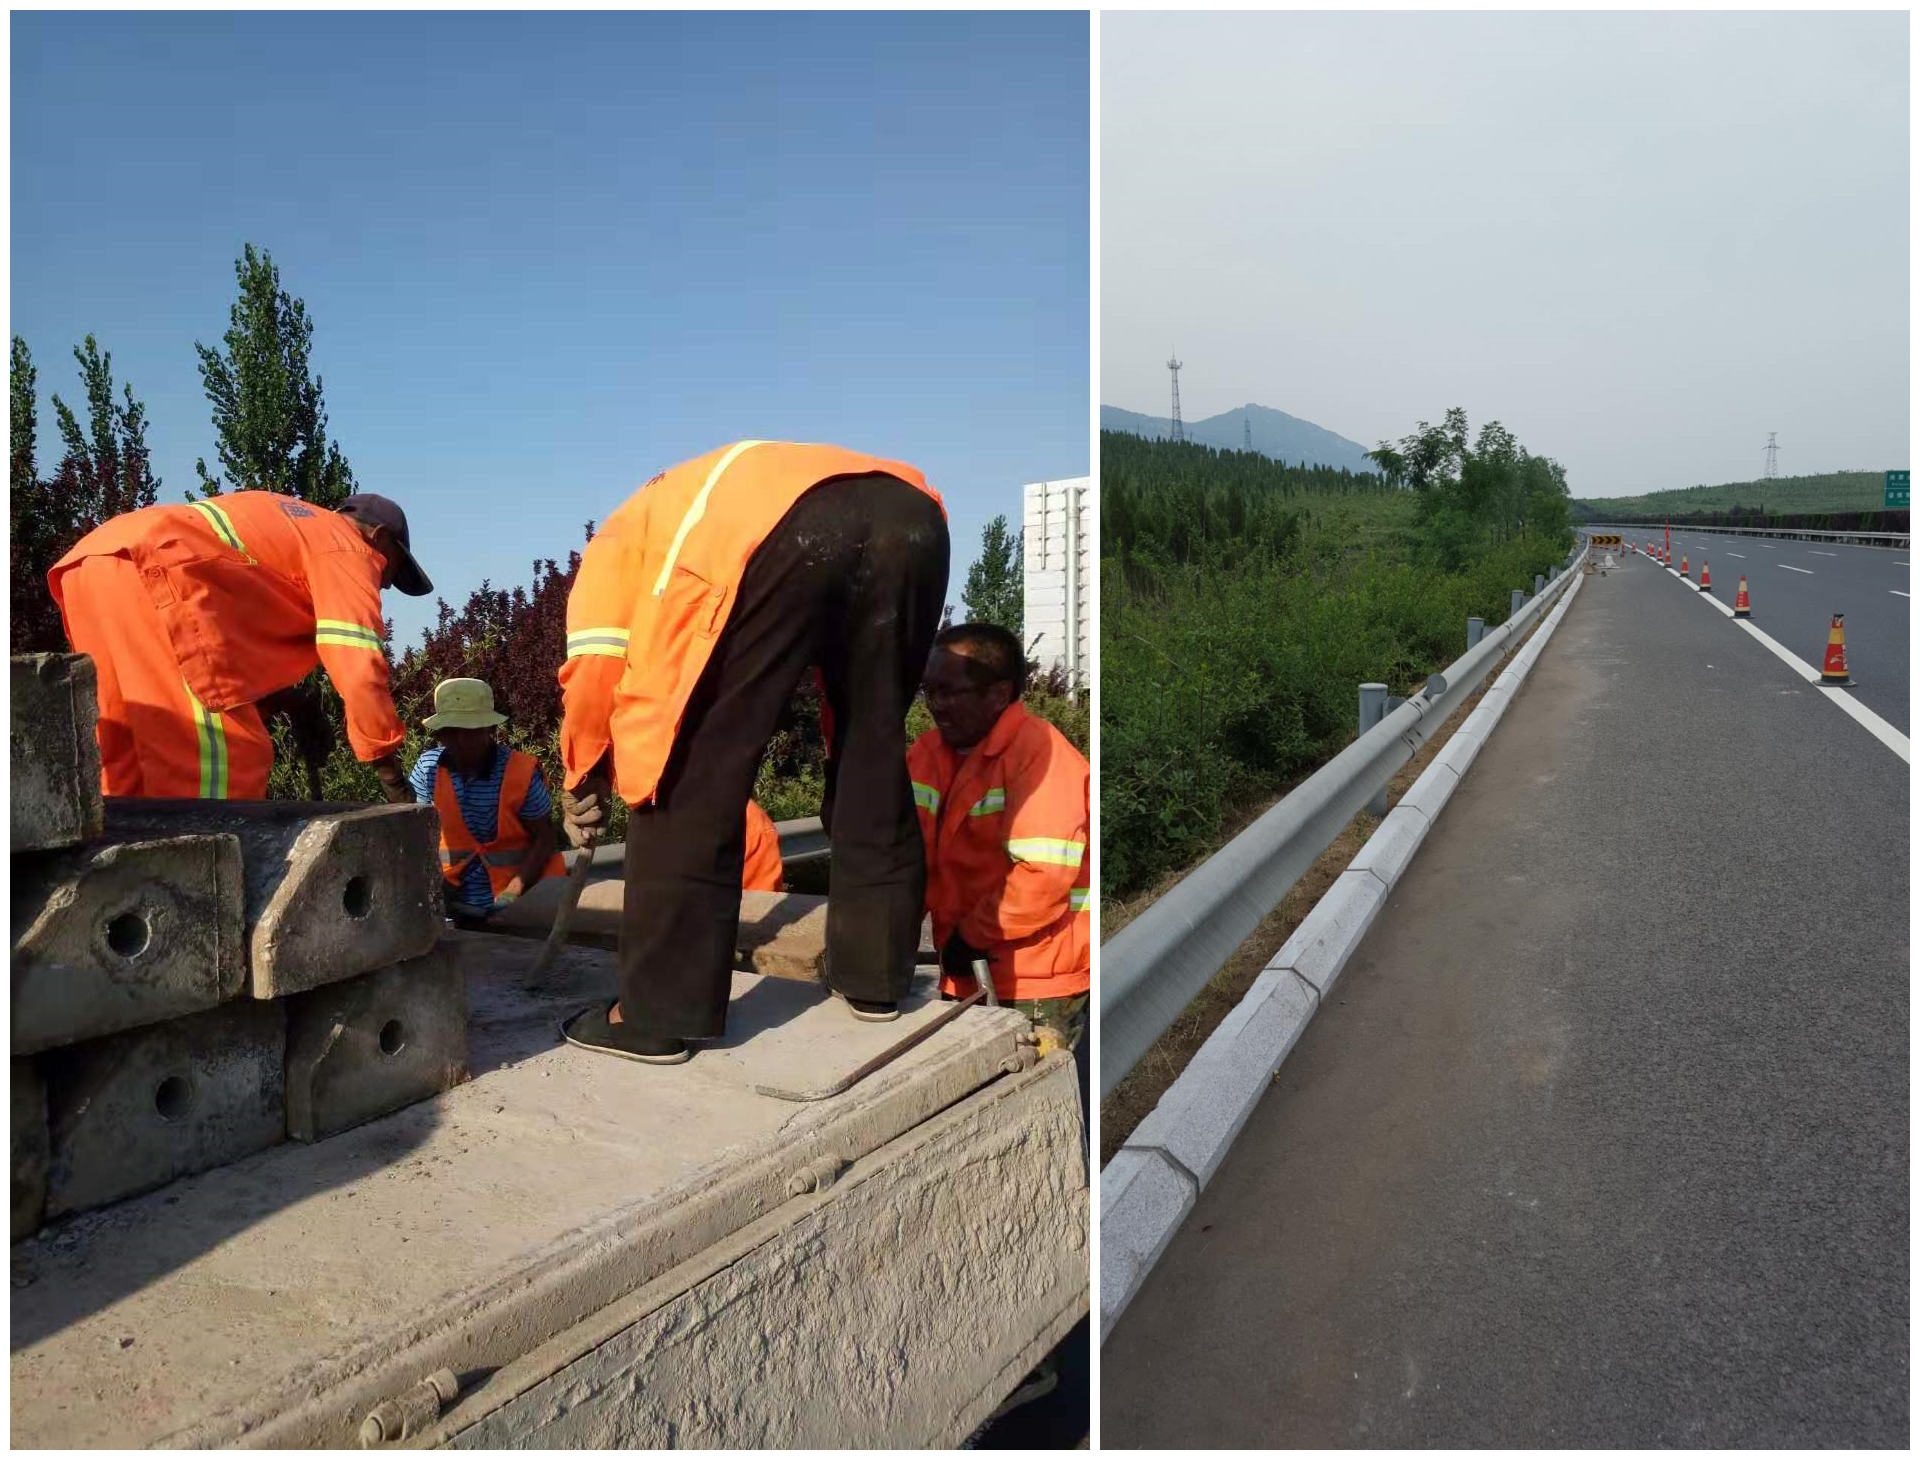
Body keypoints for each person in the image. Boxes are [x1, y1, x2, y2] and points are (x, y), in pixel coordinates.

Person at [556, 440, 948, 1064]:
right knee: (870, 744)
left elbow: (597, 664)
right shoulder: (679, 501)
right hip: (914, 515)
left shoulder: (617, 540)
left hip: (777, 523)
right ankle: (874, 977)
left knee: (685, 767)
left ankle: (655, 1016)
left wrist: (583, 770)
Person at [47, 491, 431, 803]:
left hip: (93, 562)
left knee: (127, 764)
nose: (384, 584)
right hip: (156, 569)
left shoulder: (290, 524)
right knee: (223, 763)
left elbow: (230, 634)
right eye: (392, 569)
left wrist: (291, 701)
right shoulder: (346, 546)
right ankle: (204, 876)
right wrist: (388, 771)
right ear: (379, 536)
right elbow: (359, 666)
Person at [908, 623, 1090, 1063]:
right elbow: (906, 854)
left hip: (1034, 979)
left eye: (950, 692)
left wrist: (971, 936)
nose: (936, 705)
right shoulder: (928, 754)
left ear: (998, 693)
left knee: (1028, 1097)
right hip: (966, 970)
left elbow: (1043, 876)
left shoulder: (1040, 754)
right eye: (930, 691)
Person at [410, 678, 566, 924]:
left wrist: (513, 893)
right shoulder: (428, 769)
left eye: (471, 732)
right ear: (440, 733)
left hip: (515, 903)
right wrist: (433, 886)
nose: (461, 741)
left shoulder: (520, 772)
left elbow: (545, 839)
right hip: (450, 902)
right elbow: (418, 833)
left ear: (490, 730)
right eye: (451, 732)